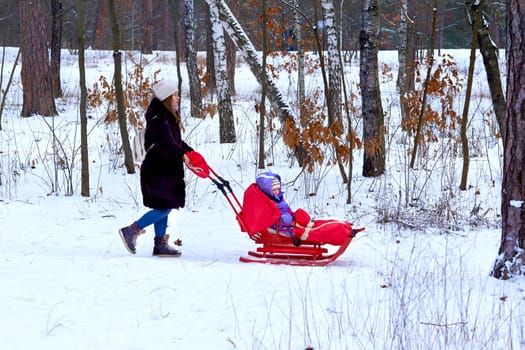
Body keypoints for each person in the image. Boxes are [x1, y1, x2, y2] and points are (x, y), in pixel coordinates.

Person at [119, 80, 209, 257]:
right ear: (167, 98)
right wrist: (183, 155)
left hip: (164, 170)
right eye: (175, 95)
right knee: (164, 207)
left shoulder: (167, 116)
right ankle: (131, 230)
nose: (178, 98)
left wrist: (189, 152)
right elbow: (166, 144)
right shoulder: (158, 118)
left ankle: (159, 244)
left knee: (165, 204)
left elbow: (175, 142)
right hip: (157, 171)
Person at [255, 172, 301, 246]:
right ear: (268, 190)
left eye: (278, 189)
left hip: (285, 218)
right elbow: (272, 216)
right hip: (277, 223)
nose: (277, 191)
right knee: (286, 218)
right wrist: (289, 218)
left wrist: (292, 214)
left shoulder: (278, 197)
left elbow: (286, 208)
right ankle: (290, 227)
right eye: (274, 190)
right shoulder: (268, 201)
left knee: (300, 214)